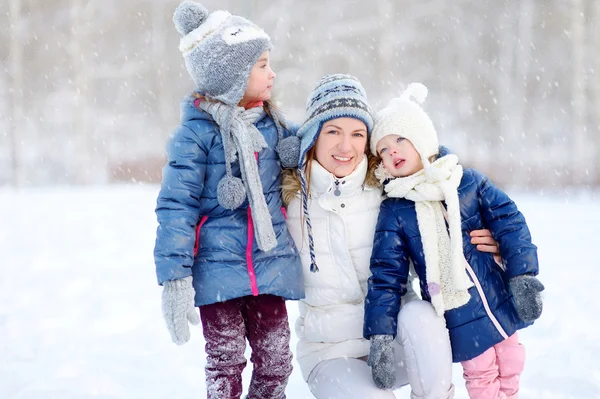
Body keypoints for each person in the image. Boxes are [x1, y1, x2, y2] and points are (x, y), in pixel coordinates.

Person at [282, 74, 500, 399]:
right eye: (333, 132)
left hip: (396, 340)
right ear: (313, 135)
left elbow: (437, 175)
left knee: (421, 314)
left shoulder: (389, 190)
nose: (346, 146)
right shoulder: (290, 203)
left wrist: (485, 240)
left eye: (357, 133)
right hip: (330, 355)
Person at [153, 2, 304, 398]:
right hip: (217, 268)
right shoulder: (196, 136)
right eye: (262, 65)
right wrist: (174, 279)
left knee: (277, 361)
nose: (272, 74)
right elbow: (176, 209)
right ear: (232, 75)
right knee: (225, 361)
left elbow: (329, 144)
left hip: (270, 266)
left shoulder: (278, 128)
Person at [364, 83, 544, 399]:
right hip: (456, 311)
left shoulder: (467, 182)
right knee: (481, 373)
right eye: (383, 149)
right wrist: (380, 334)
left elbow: (510, 223)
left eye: (400, 140)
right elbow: (386, 275)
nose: (392, 151)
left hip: (497, 294)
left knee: (512, 359)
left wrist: (523, 275)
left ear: (421, 138)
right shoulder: (395, 209)